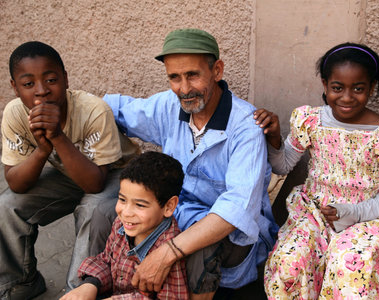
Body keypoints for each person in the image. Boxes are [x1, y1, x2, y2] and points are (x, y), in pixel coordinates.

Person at [93, 28, 278, 299]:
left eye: (193, 75)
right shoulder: (169, 104)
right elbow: (115, 109)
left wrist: (168, 252)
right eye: (174, 77)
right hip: (173, 216)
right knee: (101, 210)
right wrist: (70, 109)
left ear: (217, 70)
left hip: (225, 237)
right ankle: (90, 285)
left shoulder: (246, 127)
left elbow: (234, 212)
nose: (184, 88)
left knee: (198, 244)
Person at [254, 42, 379, 299]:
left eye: (358, 89)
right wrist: (274, 138)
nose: (347, 97)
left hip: (365, 217)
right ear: (325, 85)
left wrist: (353, 212)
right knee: (289, 264)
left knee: (349, 270)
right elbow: (282, 165)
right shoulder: (311, 121)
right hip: (314, 214)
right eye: (337, 88)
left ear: (371, 88)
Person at [0, 41, 139, 299]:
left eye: (51, 80)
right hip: (69, 173)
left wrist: (57, 137)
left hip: (115, 174)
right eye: (28, 84)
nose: (41, 91)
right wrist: (42, 151)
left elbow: (95, 184)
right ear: (15, 88)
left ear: (65, 79)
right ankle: (20, 283)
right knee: (7, 205)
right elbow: (16, 183)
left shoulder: (93, 110)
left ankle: (77, 292)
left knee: (92, 208)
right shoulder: (15, 114)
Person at [60, 151, 188, 300]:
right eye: (122, 199)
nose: (126, 212)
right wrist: (90, 285)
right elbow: (106, 261)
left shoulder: (169, 254)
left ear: (169, 206)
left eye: (140, 205)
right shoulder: (121, 225)